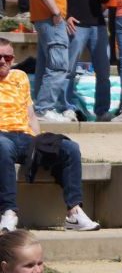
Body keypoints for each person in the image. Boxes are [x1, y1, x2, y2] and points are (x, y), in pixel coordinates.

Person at [0, 36, 99, 232]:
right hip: (2, 138)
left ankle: (74, 212)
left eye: (8, 57)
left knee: (69, 147)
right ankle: (8, 212)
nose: (3, 61)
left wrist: (37, 139)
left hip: (26, 136)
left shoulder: (20, 77)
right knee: (2, 145)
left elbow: (30, 113)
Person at [59, 0, 112, 122]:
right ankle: (67, 107)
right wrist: (64, 16)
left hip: (98, 24)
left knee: (103, 71)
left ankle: (102, 110)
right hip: (76, 25)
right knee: (69, 70)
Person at [28, 0, 73, 120]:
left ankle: (41, 107)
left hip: (47, 18)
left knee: (46, 65)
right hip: (51, 19)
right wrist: (56, 11)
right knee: (58, 65)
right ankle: (44, 108)